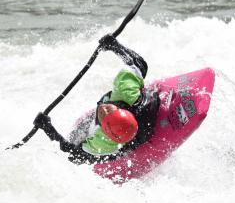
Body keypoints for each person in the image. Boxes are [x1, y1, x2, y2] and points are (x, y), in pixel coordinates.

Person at [33, 34, 160, 164]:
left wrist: (47, 128)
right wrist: (115, 46)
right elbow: (140, 64)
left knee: (79, 143)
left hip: (133, 130)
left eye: (104, 115)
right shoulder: (125, 94)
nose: (103, 109)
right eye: (107, 111)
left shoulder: (104, 140)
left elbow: (140, 64)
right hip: (125, 130)